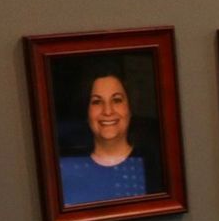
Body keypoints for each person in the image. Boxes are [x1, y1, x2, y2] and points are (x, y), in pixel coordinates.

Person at [59, 69, 155, 206]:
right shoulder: (65, 168)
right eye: (97, 102)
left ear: (130, 108)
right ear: (86, 111)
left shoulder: (153, 165)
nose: (108, 111)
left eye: (116, 100)